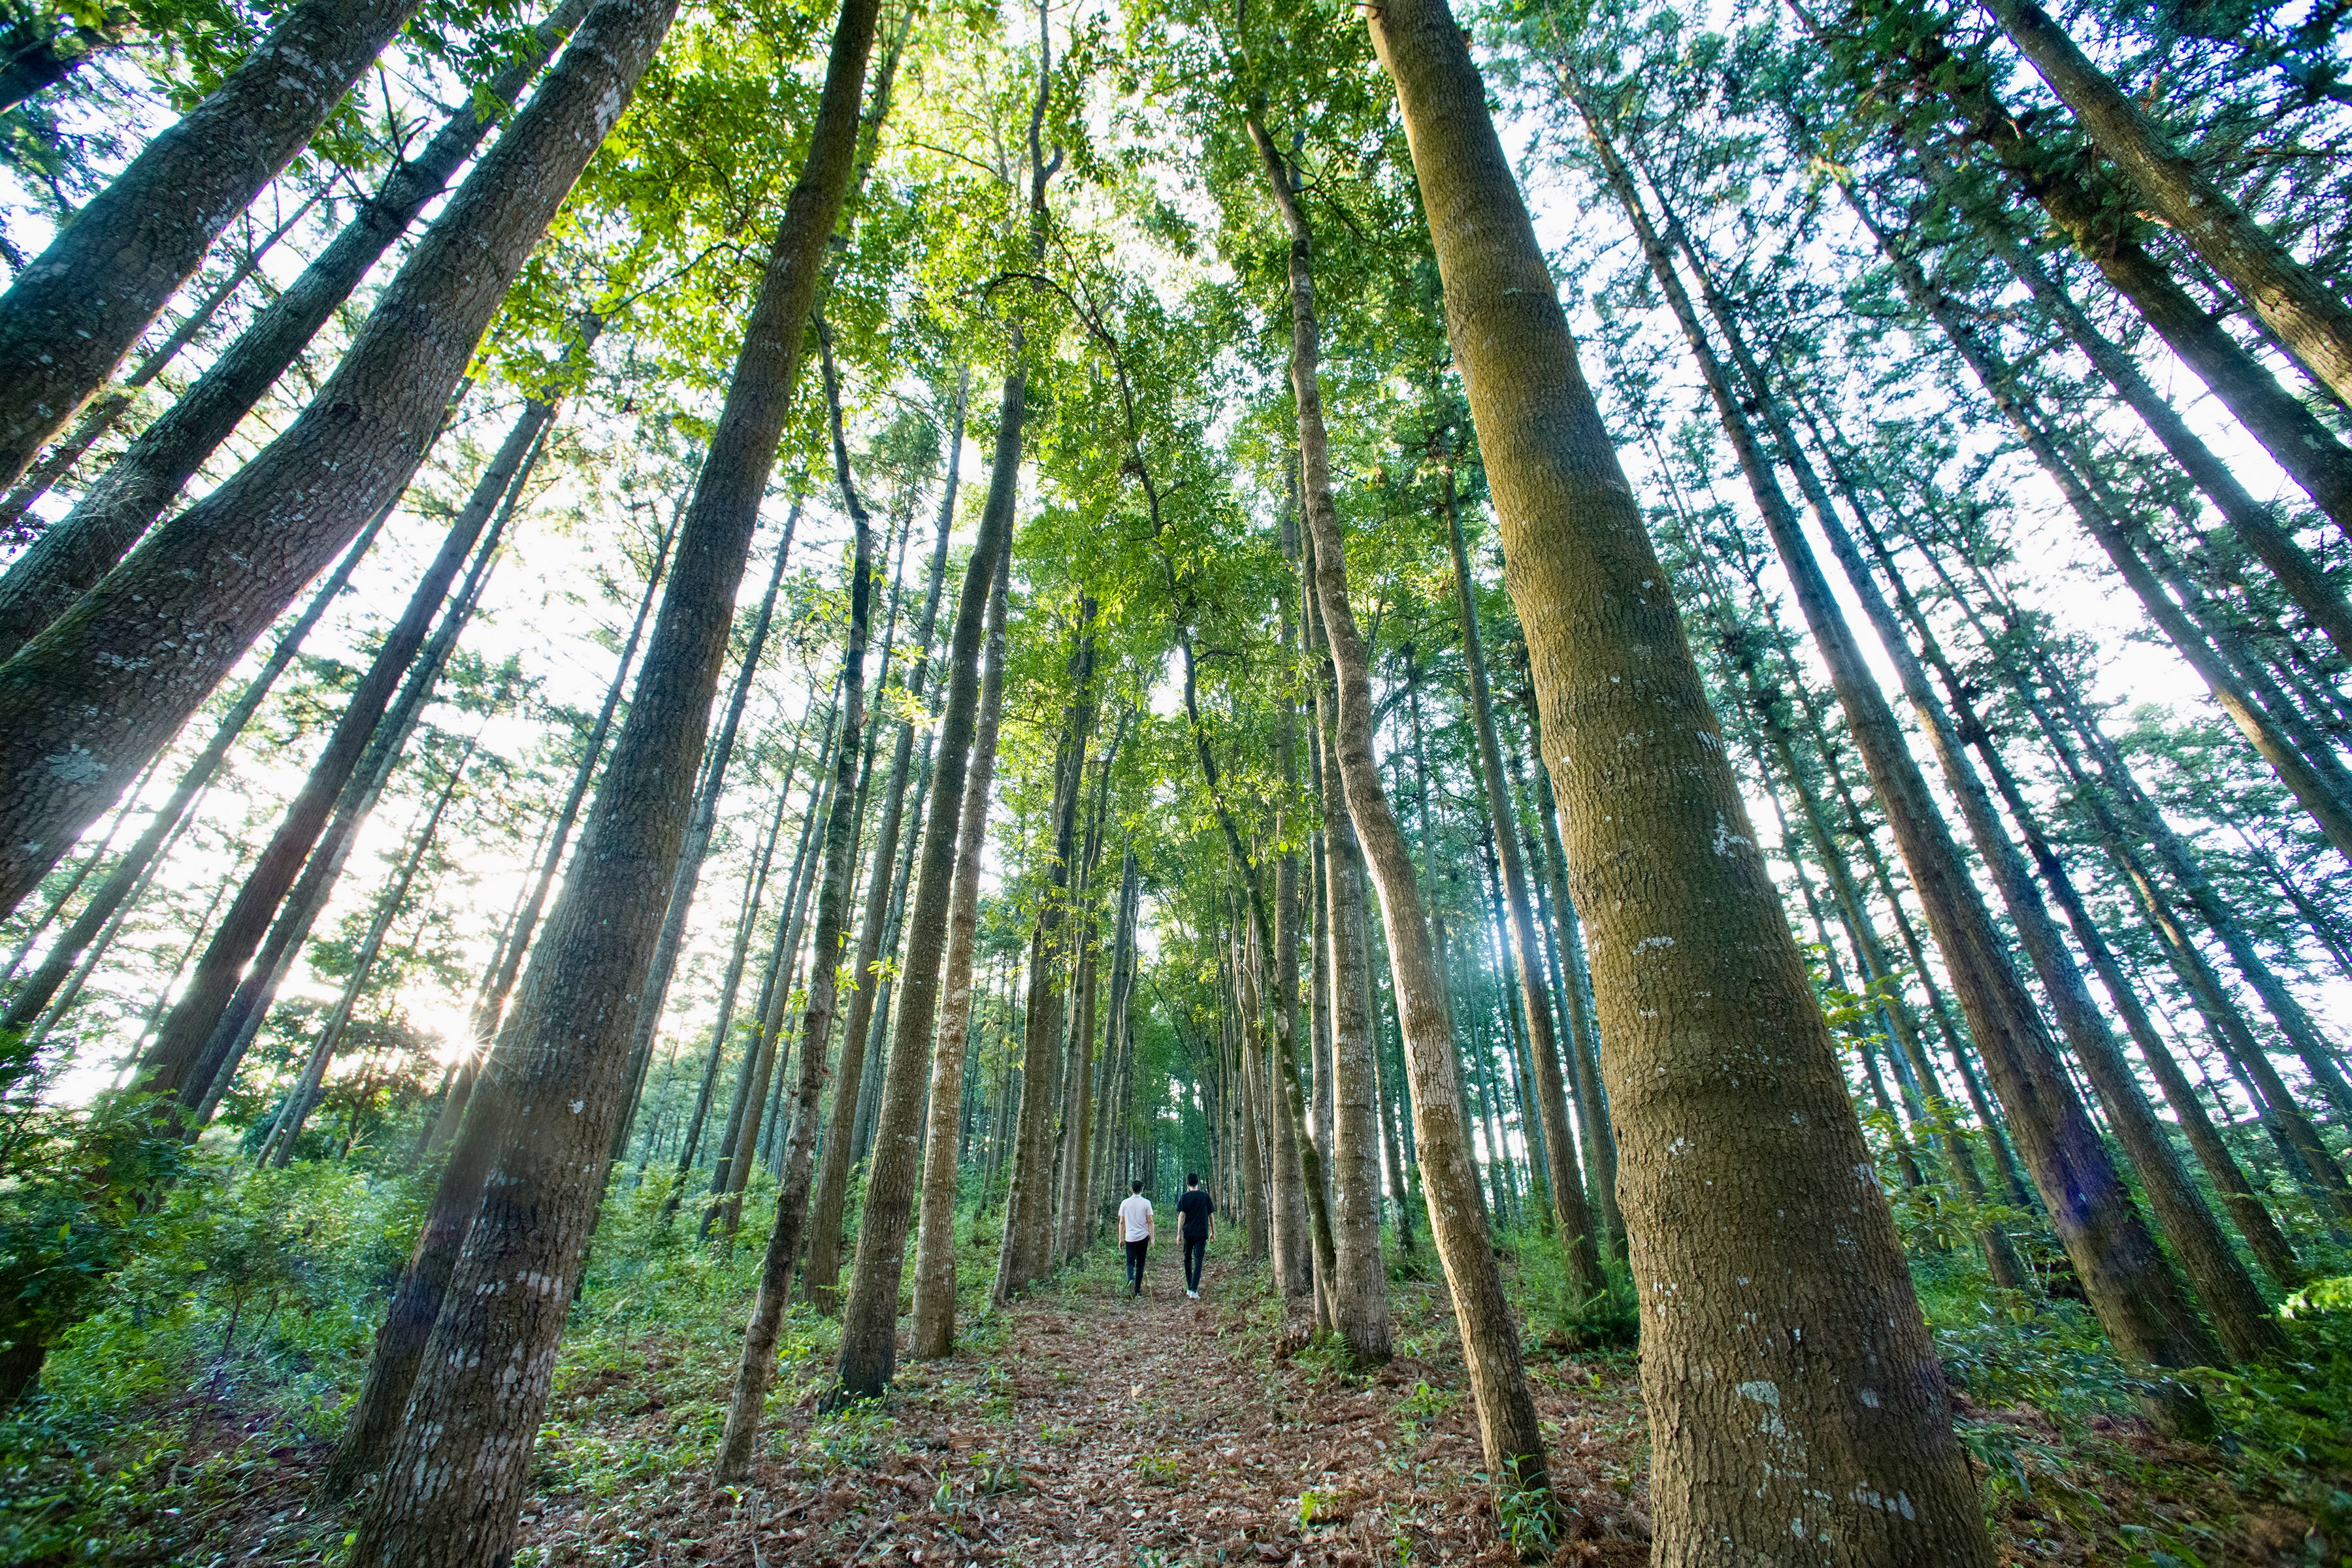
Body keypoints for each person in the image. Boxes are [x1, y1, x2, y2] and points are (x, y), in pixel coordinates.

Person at [1175, 1172, 1214, 1299]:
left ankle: (1190, 1287)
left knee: (1187, 1259)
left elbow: (1182, 1215)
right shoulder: (1205, 1197)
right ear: (1198, 1183)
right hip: (1202, 1233)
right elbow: (1211, 1216)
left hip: (1188, 1233)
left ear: (1187, 1184)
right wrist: (1213, 1232)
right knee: (1198, 1261)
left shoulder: (1185, 1197)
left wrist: (1179, 1234)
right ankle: (1193, 1289)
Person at [1117, 1180, 1153, 1298]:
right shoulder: (1146, 1203)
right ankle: (1137, 1290)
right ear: (1142, 1190)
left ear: (1131, 1190)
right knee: (1140, 1264)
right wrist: (1152, 1238)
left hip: (1130, 1238)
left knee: (1130, 1262)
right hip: (1143, 1237)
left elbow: (1122, 1222)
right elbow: (1150, 1221)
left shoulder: (1125, 1203)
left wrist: (1120, 1238)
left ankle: (1130, 1281)